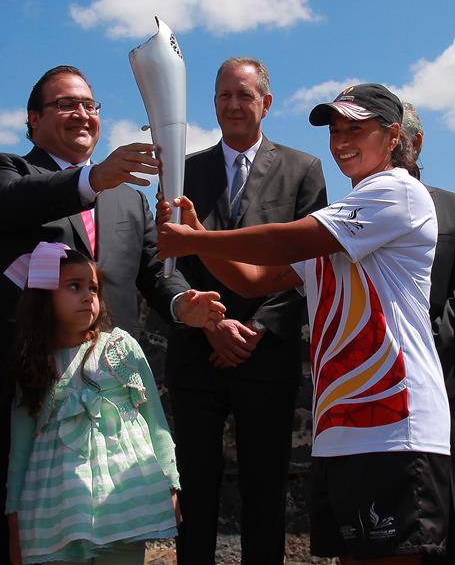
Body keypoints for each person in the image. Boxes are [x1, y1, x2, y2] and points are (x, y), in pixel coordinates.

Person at [157, 84, 452, 564]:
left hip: (394, 422)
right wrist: (201, 235)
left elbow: (284, 241)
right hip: (340, 427)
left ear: (393, 135)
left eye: (356, 128)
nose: (342, 141)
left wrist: (196, 242)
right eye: (335, 130)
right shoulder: (343, 220)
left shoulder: (396, 192)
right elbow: (256, 279)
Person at [0, 65, 224, 563]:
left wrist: (182, 303)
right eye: (66, 104)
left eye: (90, 104)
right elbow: (2, 204)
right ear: (33, 119)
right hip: (24, 393)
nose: (82, 113)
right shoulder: (1, 171)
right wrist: (90, 179)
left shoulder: (128, 199)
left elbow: (154, 270)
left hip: (106, 412)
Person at [165, 57, 327, 563]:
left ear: (266, 103)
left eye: (244, 95)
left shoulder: (303, 170)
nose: (233, 105)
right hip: (197, 354)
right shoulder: (182, 171)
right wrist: (209, 322)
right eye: (224, 96)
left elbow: (309, 262)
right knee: (193, 489)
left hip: (266, 356)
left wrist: (257, 326)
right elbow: (165, 258)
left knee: (266, 490)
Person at [5, 243, 181, 565]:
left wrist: (171, 482)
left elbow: (155, 420)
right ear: (43, 297)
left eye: (94, 288)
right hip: (57, 509)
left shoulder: (120, 349)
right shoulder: (34, 366)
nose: (88, 296)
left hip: (125, 502)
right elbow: (20, 447)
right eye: (74, 286)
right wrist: (14, 517)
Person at [401, 103, 455, 564]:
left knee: (443, 506)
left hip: (440, 378)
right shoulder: (345, 215)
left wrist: (427, 342)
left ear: (415, 142)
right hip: (370, 388)